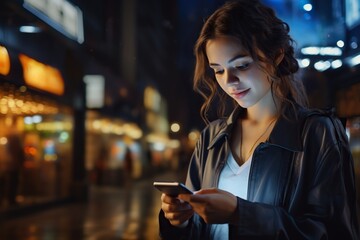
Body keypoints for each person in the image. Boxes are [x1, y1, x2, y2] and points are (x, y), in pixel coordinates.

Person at [158, 0, 359, 239]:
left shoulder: (318, 133)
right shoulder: (212, 137)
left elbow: (335, 233)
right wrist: (178, 221)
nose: (229, 81)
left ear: (275, 56)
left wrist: (240, 213)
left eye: (241, 65)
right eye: (218, 70)